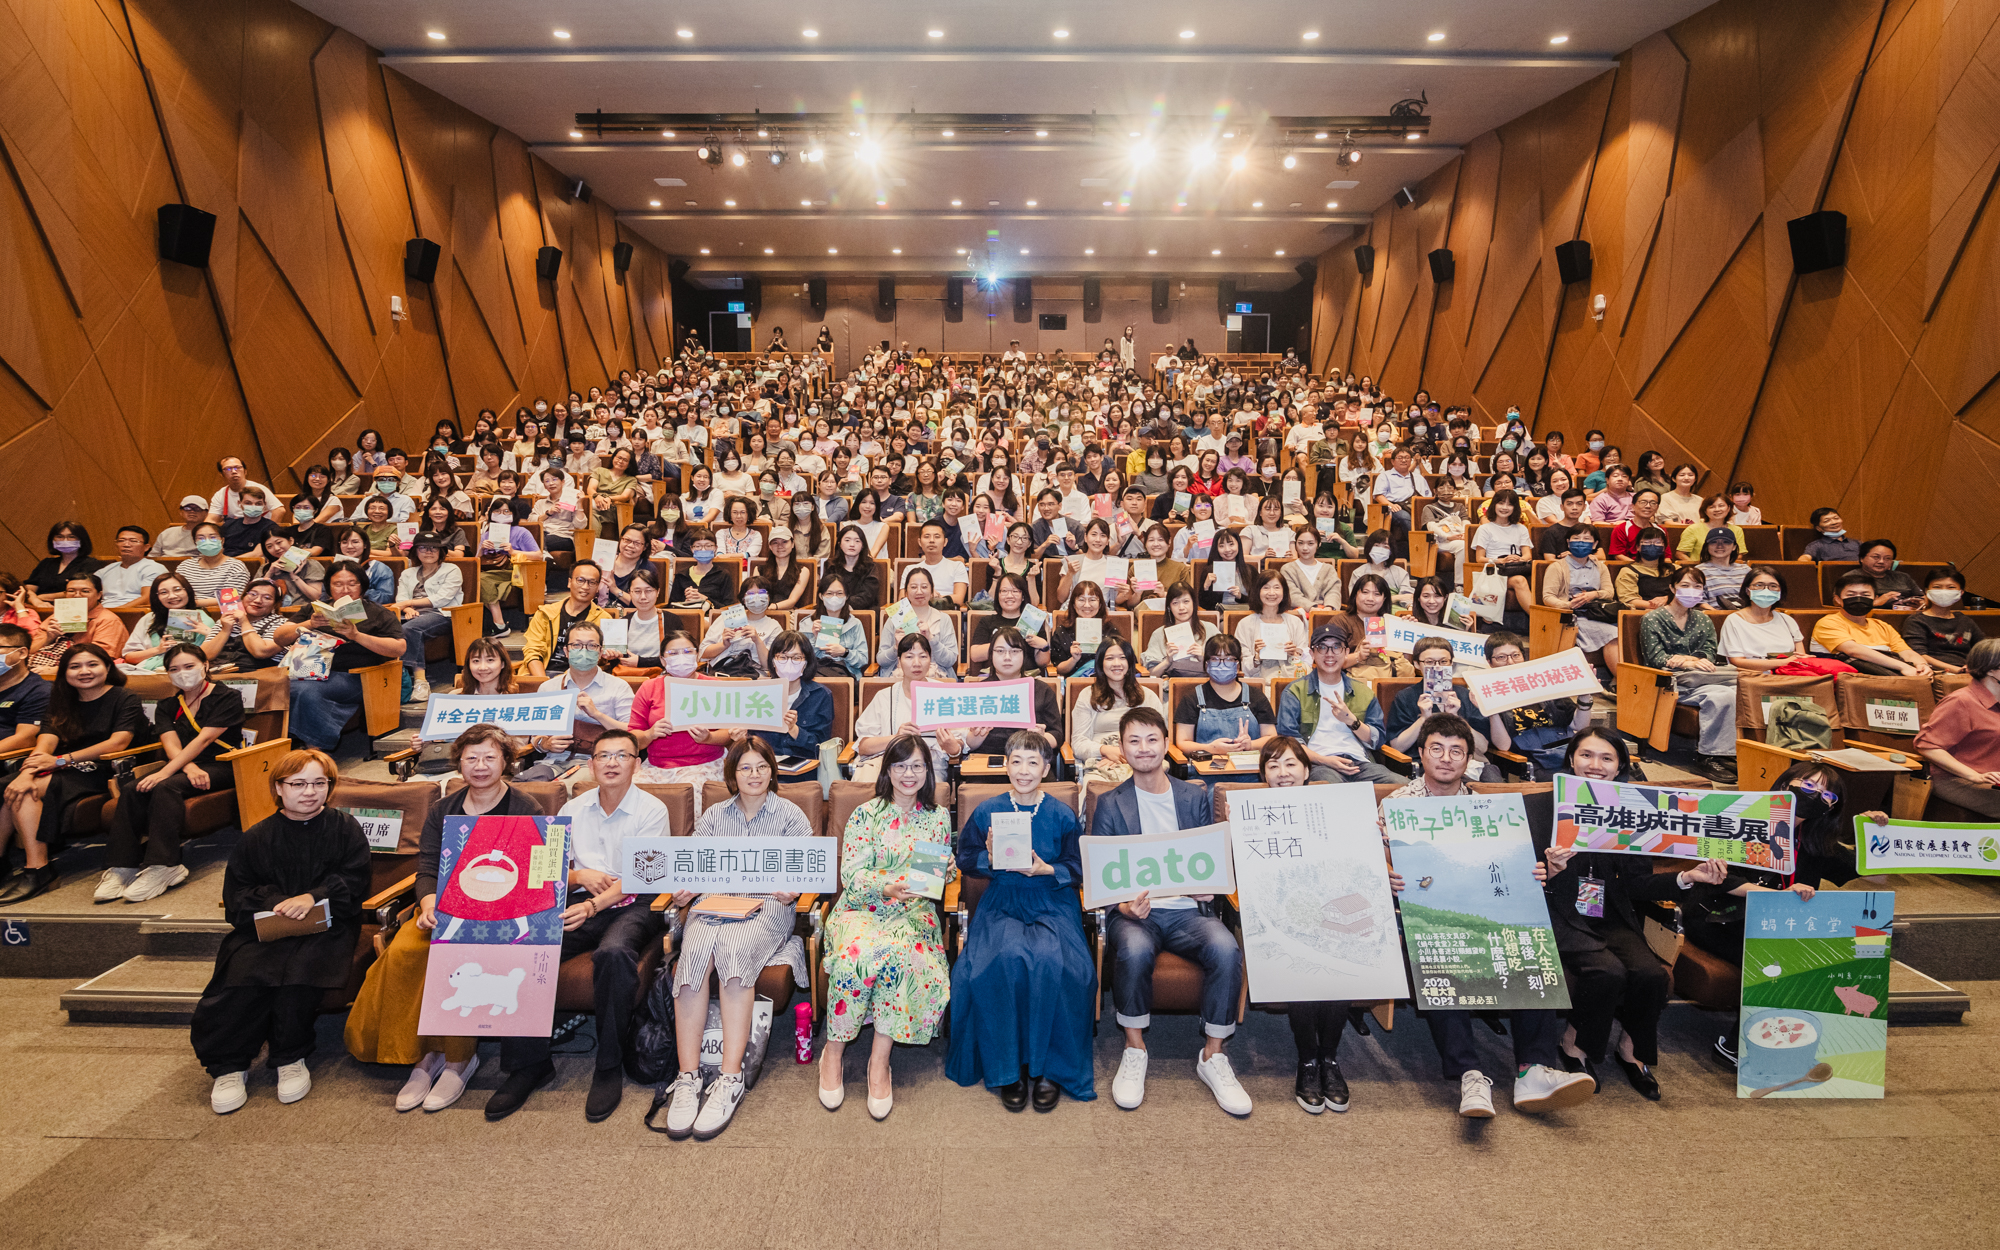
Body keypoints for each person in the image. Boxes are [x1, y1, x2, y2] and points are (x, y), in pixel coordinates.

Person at [1386, 714, 1598, 1118]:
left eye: (1456, 752)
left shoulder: (1493, 808)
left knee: (1526, 944)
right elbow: (1379, 863)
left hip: (1489, 910)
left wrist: (1539, 872)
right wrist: (1388, 874)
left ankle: (1533, 1069)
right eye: (1437, 749)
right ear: (1421, 753)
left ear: (1469, 760)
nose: (1446, 759)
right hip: (1428, 915)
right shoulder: (1397, 807)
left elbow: (1512, 867)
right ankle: (1469, 1074)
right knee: (1440, 953)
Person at [342, 724, 539, 1111]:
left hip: (502, 910)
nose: (480, 766)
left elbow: (535, 870)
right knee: (404, 955)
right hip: (444, 907)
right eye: (471, 758)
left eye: (489, 758)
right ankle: (423, 1057)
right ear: (458, 764)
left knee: (462, 959)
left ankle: (457, 1060)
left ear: (506, 762)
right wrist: (429, 903)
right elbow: (429, 865)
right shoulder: (442, 810)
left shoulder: (525, 807)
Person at [484, 729, 669, 1123]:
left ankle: (608, 1065)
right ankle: (529, 1064)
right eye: (604, 756)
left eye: (622, 756)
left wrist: (596, 904)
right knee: (525, 944)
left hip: (633, 904)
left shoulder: (653, 810)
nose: (612, 763)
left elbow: (644, 875)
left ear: (636, 764)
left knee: (615, 953)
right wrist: (579, 876)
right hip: (578, 901)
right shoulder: (570, 810)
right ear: (590, 764)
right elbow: (548, 869)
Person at [190, 748, 368, 1114]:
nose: (310, 791)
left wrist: (312, 897)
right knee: (241, 976)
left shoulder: (345, 828)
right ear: (279, 788)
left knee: (300, 975)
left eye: (320, 783)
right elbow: (236, 892)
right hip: (267, 924)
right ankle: (229, 1065)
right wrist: (276, 903)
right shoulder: (257, 836)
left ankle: (290, 1056)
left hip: (328, 923)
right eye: (299, 783)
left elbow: (354, 879)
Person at [1094, 707, 1251, 1116]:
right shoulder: (1110, 803)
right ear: (1123, 750)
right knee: (1131, 950)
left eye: (1152, 739)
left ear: (1166, 744)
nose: (1144, 748)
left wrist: (1211, 886)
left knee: (1225, 947)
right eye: (1134, 741)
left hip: (1188, 912)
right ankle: (1134, 1048)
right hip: (1137, 913)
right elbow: (1101, 871)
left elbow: (1212, 863)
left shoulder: (1194, 796)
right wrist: (1123, 905)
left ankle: (1213, 1055)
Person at [656, 736, 811, 1138]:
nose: (754, 775)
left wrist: (793, 886)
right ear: (732, 774)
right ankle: (688, 1077)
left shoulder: (791, 816)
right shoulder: (714, 816)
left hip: (767, 906)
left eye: (762, 767)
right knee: (692, 956)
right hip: (716, 902)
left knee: (735, 952)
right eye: (745, 768)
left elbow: (803, 873)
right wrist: (685, 887)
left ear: (772, 771)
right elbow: (692, 867)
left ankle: (729, 1078)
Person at [1524, 729, 1679, 1099]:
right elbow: (1516, 875)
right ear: (1571, 760)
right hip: (1557, 911)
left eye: (1607, 758)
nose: (1595, 765)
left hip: (1608, 913)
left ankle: (1631, 1049)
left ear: (1620, 766)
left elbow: (1639, 885)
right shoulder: (1540, 807)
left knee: (1651, 974)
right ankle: (1573, 1044)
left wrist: (1687, 878)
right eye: (1586, 756)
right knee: (1607, 972)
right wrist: (1551, 870)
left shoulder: (1632, 813)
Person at [946, 731, 1095, 1110]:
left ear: (1046, 768)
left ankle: (1049, 1069)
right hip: (1003, 897)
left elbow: (1078, 868)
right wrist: (990, 858)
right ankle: (1008, 1068)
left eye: (1033, 762)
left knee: (1056, 962)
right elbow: (965, 859)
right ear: (1006, 765)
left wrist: (1049, 870)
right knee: (1001, 961)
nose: (1024, 770)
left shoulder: (1061, 813)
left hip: (1051, 900)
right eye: (1016, 762)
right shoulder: (987, 810)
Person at [818, 733, 954, 1121]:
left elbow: (934, 877)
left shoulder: (938, 816)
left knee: (900, 956)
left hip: (913, 913)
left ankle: (880, 1061)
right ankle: (835, 1050)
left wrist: (947, 869)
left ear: (928, 771)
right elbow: (852, 875)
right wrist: (886, 886)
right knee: (856, 958)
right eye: (900, 765)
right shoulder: (866, 814)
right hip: (864, 908)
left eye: (917, 766)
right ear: (887, 770)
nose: (908, 774)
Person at [1256, 736, 1378, 1112]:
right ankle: (1307, 1059)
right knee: (1302, 957)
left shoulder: (1332, 808)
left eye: (1290, 764)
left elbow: (1355, 866)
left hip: (1327, 911)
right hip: (1276, 919)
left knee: (1335, 952)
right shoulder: (1252, 812)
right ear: (1263, 775)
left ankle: (1329, 1057)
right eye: (1273, 766)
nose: (1282, 773)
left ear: (1307, 771)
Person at [93, 644, 244, 904]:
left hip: (223, 763)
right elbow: (171, 744)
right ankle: (123, 867)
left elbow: (205, 740)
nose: (182, 673)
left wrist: (169, 771)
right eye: (174, 669)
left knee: (165, 786)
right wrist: (187, 767)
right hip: (183, 765)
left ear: (205, 666)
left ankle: (165, 866)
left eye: (189, 666)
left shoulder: (226, 696)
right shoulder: (167, 705)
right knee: (132, 789)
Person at [0, 644, 147, 903]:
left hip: (105, 767)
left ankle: (38, 869)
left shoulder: (124, 698)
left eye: (92, 664)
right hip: (61, 766)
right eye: (75, 666)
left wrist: (60, 760)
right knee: (14, 785)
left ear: (107, 667)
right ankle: (13, 865)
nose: (84, 671)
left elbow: (118, 743)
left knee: (27, 790)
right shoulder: (60, 701)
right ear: (64, 672)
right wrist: (26, 773)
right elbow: (46, 741)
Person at [285, 564, 407, 753]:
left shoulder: (378, 613)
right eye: (338, 584)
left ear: (362, 586)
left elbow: (399, 647)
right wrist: (309, 623)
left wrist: (357, 636)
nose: (345, 590)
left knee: (306, 690)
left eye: (352, 584)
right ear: (329, 587)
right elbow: (279, 636)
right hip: (310, 669)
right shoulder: (315, 610)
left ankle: (314, 752)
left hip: (356, 676)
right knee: (280, 687)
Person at [1638, 566, 1738, 782]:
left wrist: (1686, 660)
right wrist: (1689, 661)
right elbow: (1656, 658)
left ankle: (1727, 753)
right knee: (1722, 696)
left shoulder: (1703, 619)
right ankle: (1707, 757)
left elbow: (1709, 653)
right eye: (1685, 585)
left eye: (1697, 586)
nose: (1691, 590)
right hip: (1669, 683)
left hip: (1702, 679)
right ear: (1673, 587)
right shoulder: (1652, 619)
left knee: (1740, 690)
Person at [1275, 623, 1399, 783]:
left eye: (1336, 647)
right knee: (1334, 791)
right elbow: (1289, 741)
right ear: (1312, 653)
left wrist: (1351, 721)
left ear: (1346, 652)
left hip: (1360, 764)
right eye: (1322, 647)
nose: (1329, 654)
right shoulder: (1295, 691)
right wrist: (1323, 760)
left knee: (1401, 787)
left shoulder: (1363, 691)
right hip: (1318, 764)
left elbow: (1377, 740)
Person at [626, 632, 731, 796]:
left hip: (704, 763)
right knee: (631, 798)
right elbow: (633, 738)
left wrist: (709, 738)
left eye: (688, 652)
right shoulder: (649, 687)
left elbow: (730, 732)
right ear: (662, 660)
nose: (681, 657)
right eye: (673, 653)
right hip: (657, 765)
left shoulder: (714, 686)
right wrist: (650, 734)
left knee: (691, 798)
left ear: (697, 655)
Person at [854, 633, 967, 779]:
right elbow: (863, 747)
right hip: (888, 764)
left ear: (931, 659)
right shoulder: (884, 696)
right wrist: (897, 738)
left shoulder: (944, 694)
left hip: (929, 765)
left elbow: (958, 743)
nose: (916, 663)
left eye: (923, 656)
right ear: (899, 661)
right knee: (866, 777)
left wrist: (953, 747)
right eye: (909, 657)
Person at [1481, 631, 1593, 776]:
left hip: (1564, 752)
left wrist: (1585, 694)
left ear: (1523, 656)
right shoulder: (1486, 693)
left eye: (1516, 655)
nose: (1510, 662)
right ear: (1489, 662)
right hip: (1529, 760)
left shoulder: (1543, 683)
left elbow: (1580, 726)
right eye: (1501, 657)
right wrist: (1492, 709)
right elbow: (1503, 745)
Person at [1915, 639, 2000, 818]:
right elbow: (1927, 745)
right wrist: (1973, 776)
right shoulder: (1961, 701)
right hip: (1956, 779)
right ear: (1991, 669)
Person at [1069, 638, 1164, 784]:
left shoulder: (1148, 697)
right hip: (1100, 763)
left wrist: (1126, 755)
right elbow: (1078, 742)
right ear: (1100, 663)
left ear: (1130, 663)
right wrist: (1105, 750)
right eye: (1109, 658)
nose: (1116, 664)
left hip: (1142, 760)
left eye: (1122, 658)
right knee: (1094, 791)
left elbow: (1159, 740)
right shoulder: (1087, 696)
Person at [1383, 635, 1489, 761]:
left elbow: (1483, 747)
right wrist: (1424, 718)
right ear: (1417, 664)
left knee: (1491, 776)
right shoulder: (1405, 697)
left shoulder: (1465, 695)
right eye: (1429, 662)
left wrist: (1456, 717)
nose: (1437, 667)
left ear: (1451, 664)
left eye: (1444, 662)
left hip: (1465, 762)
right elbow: (1397, 747)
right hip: (1423, 763)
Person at [1812, 571, 1933, 677]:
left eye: (1865, 595)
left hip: (1885, 677)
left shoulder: (1882, 626)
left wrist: (1921, 665)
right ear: (1838, 599)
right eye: (1851, 595)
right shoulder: (1828, 623)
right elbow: (1853, 651)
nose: (1859, 598)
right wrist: (1903, 667)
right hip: (1851, 680)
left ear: (1875, 599)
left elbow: (1906, 652)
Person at [1173, 635, 1275, 760]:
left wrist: (1250, 745)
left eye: (1228, 659)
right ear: (1206, 664)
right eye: (1215, 659)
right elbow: (1183, 742)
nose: (1222, 664)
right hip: (1207, 773)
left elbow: (1271, 737)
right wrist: (1212, 749)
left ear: (1238, 664)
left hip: (1251, 772)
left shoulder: (1256, 696)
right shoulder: (1191, 698)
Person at [392, 533, 463, 701]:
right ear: (415, 551)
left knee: (411, 628)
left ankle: (420, 682)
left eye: (433, 548)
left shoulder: (452, 570)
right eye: (423, 547)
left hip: (442, 613)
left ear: (441, 552)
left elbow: (442, 598)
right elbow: (400, 598)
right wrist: (407, 608)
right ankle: (395, 679)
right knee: (388, 627)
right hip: (411, 614)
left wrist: (409, 604)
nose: (428, 551)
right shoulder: (408, 573)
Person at [751, 632, 833, 770]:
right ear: (773, 661)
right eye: (782, 657)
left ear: (806, 662)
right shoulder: (758, 693)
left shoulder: (821, 695)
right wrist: (740, 737)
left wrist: (794, 730)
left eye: (796, 658)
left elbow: (821, 747)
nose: (789, 663)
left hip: (803, 770)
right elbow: (750, 741)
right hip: (762, 769)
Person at [522, 561, 609, 679]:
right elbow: (532, 651)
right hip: (541, 674)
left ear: (598, 587)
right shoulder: (545, 613)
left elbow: (600, 659)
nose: (585, 587)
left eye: (592, 582)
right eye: (580, 580)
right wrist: (543, 683)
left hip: (580, 678)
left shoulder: (604, 619)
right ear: (569, 582)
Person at [1716, 566, 1806, 672]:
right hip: (1752, 678)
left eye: (1773, 586)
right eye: (1759, 585)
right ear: (1747, 590)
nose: (1766, 590)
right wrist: (1783, 663)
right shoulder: (1734, 620)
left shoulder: (1787, 620)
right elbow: (1737, 661)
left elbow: (1801, 657)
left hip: (1788, 675)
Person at [875, 567, 959, 676]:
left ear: (932, 591)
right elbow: (881, 660)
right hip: (900, 675)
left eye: (924, 587)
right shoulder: (894, 618)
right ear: (905, 592)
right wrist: (895, 647)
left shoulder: (944, 619)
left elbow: (950, 660)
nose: (919, 591)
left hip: (936, 676)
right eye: (913, 587)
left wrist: (932, 640)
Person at [1901, 568, 1980, 673]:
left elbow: (1983, 647)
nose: (1944, 592)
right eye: (1937, 587)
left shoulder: (1965, 620)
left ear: (1961, 592)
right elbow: (1919, 654)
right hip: (1935, 671)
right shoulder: (1916, 621)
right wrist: (1958, 670)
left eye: (1951, 587)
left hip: (1968, 669)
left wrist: (1973, 667)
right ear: (1926, 591)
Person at [1235, 570, 1307, 681]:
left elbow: (1306, 663)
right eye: (1266, 588)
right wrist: (1256, 658)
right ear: (1257, 591)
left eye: (1277, 587)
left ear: (1284, 592)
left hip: (1290, 682)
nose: (1272, 593)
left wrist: (1295, 654)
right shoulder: (1245, 624)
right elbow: (1241, 667)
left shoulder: (1295, 622)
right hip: (1259, 683)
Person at [1141, 581, 1220, 679]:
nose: (1181, 607)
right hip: (1170, 688)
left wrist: (1203, 658)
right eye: (1175, 603)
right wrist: (1167, 661)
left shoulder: (1210, 629)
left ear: (1194, 603)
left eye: (1186, 601)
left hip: (1206, 687)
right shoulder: (1159, 634)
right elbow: (1152, 674)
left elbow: (1223, 669)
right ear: (1169, 607)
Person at [98, 526, 167, 609]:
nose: (126, 545)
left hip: (135, 613)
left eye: (134, 541)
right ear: (116, 544)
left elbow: (147, 599)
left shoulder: (153, 568)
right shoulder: (106, 570)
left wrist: (116, 612)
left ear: (146, 547)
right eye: (121, 541)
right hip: (103, 613)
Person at [1855, 539, 1923, 608]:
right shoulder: (1852, 577)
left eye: (1887, 558)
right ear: (1861, 558)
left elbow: (1922, 597)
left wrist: (1921, 602)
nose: (1881, 561)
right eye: (1876, 557)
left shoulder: (1903, 577)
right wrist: (1875, 603)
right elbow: (1850, 606)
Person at [151, 497, 211, 562]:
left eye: (197, 509)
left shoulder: (210, 534)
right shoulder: (167, 532)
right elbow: (153, 556)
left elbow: (209, 559)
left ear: (206, 513)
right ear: (181, 512)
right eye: (187, 508)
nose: (192, 511)